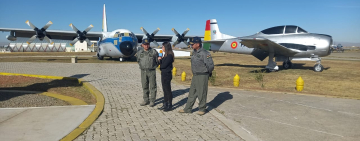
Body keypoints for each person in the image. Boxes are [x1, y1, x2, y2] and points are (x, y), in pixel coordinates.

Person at [178, 37, 214, 115]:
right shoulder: (194, 52)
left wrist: (208, 73)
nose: (191, 45)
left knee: (201, 93)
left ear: (198, 44)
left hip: (202, 75)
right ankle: (188, 108)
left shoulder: (205, 53)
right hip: (195, 75)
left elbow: (210, 65)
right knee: (192, 92)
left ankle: (202, 108)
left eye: (193, 44)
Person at [136, 38, 159, 107]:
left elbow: (157, 61)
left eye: (147, 44)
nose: (146, 46)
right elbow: (138, 61)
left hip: (151, 71)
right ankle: (146, 100)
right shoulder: (139, 53)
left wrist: (153, 66)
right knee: (144, 86)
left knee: (153, 86)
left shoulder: (153, 52)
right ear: (142, 45)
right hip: (143, 71)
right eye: (145, 44)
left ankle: (152, 100)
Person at [157, 42, 174, 112]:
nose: (162, 48)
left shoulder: (170, 56)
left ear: (166, 47)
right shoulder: (165, 55)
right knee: (164, 89)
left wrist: (160, 60)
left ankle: (170, 104)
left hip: (167, 74)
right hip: (163, 74)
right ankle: (165, 103)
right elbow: (161, 64)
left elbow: (163, 65)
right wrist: (159, 59)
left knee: (167, 90)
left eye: (163, 47)